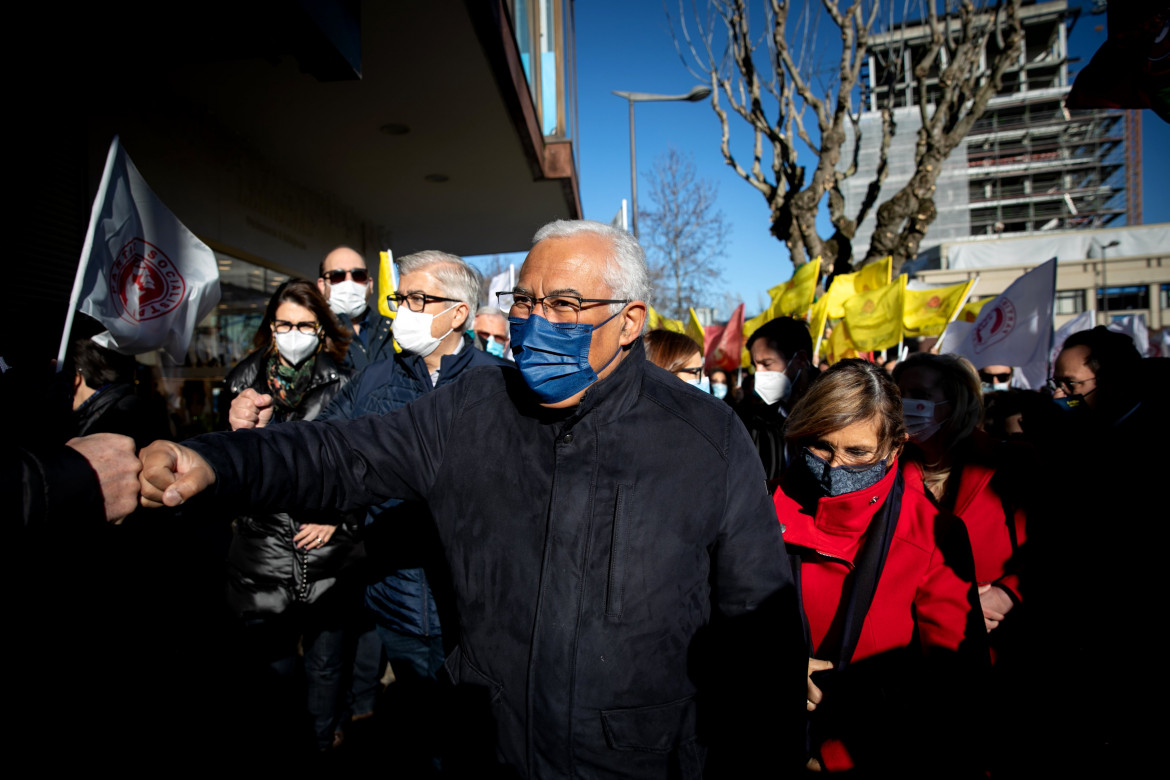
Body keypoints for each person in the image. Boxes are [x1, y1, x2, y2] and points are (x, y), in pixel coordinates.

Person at [140, 219, 805, 778]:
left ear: (630, 321)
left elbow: (761, 634)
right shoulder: (471, 409)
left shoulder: (706, 437)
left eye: (565, 306)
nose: (536, 323)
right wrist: (214, 461)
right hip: (493, 751)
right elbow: (340, 453)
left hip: (643, 762)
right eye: (525, 301)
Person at [773, 359, 984, 773]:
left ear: (894, 447)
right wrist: (771, 668)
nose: (834, 468)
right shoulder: (759, 509)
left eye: (857, 452)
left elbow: (954, 681)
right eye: (820, 445)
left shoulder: (932, 535)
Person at [219, 278, 358, 754]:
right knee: (271, 667)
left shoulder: (345, 379)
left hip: (326, 552)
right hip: (261, 550)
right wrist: (237, 432)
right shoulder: (242, 379)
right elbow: (227, 468)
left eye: (304, 324)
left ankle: (321, 739)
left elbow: (362, 461)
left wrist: (339, 518)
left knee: (325, 663)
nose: (293, 333)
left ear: (321, 330)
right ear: (270, 327)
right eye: (284, 324)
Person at [893, 354, 1029, 641]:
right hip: (918, 643)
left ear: (955, 403)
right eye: (899, 395)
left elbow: (1059, 546)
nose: (904, 404)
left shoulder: (1014, 463)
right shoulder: (884, 472)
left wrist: (1004, 595)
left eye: (919, 395)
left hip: (1003, 642)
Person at [738, 317, 817, 482]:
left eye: (767, 364)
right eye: (755, 366)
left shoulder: (835, 411)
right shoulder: (756, 421)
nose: (758, 374)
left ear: (800, 359)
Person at [317, 246, 395, 371]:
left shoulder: (392, 328)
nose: (349, 283)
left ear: (370, 284)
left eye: (358, 275)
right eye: (337, 276)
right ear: (322, 285)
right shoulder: (312, 332)